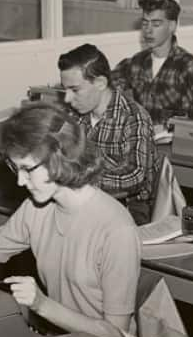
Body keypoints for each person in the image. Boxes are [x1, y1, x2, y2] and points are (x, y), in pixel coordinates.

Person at [0, 103, 141, 337]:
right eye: (16, 169)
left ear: (58, 159)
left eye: (27, 169)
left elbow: (117, 336)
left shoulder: (117, 229)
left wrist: (41, 304)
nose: (20, 182)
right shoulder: (36, 208)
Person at [59, 43, 159, 224]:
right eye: (65, 90)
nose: (67, 98)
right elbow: (57, 152)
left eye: (74, 90)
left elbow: (134, 177)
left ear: (100, 83)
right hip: (81, 201)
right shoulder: (76, 114)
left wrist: (77, 179)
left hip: (126, 209)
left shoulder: (134, 117)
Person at [110, 0, 193, 125]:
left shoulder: (188, 67)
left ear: (172, 26)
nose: (148, 31)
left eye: (156, 24)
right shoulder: (136, 63)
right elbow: (104, 88)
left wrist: (169, 128)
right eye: (145, 24)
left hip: (174, 142)